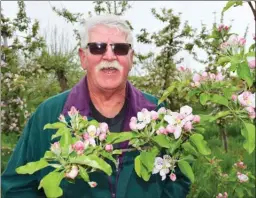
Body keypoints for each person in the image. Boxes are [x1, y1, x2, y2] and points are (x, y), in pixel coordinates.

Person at [1, 15, 190, 198]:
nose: (109, 56)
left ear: (131, 58)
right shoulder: (49, 115)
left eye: (120, 48)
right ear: (83, 57)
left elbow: (179, 178)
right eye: (97, 48)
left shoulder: (157, 113)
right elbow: (17, 187)